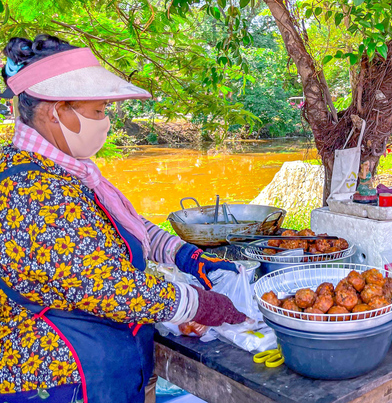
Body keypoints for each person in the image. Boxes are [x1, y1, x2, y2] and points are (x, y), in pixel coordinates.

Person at [0, 35, 247, 402]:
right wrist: (197, 303)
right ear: (56, 110)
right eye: (98, 110)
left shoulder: (64, 170)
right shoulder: (32, 189)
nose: (106, 121)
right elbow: (108, 286)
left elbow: (111, 225)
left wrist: (184, 254)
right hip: (59, 380)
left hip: (104, 368)